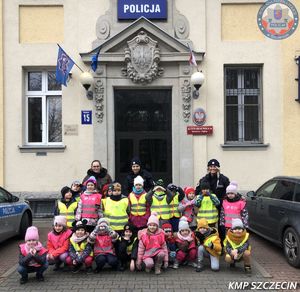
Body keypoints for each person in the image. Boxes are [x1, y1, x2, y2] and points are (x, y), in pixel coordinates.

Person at [195, 159, 230, 243]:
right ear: (208, 168)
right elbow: (197, 191)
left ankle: (220, 244)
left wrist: (239, 197)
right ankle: (206, 243)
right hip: (209, 207)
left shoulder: (223, 179)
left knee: (221, 226)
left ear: (218, 168)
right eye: (210, 166)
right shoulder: (204, 179)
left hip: (220, 205)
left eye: (214, 166)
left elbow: (230, 190)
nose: (212, 168)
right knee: (207, 226)